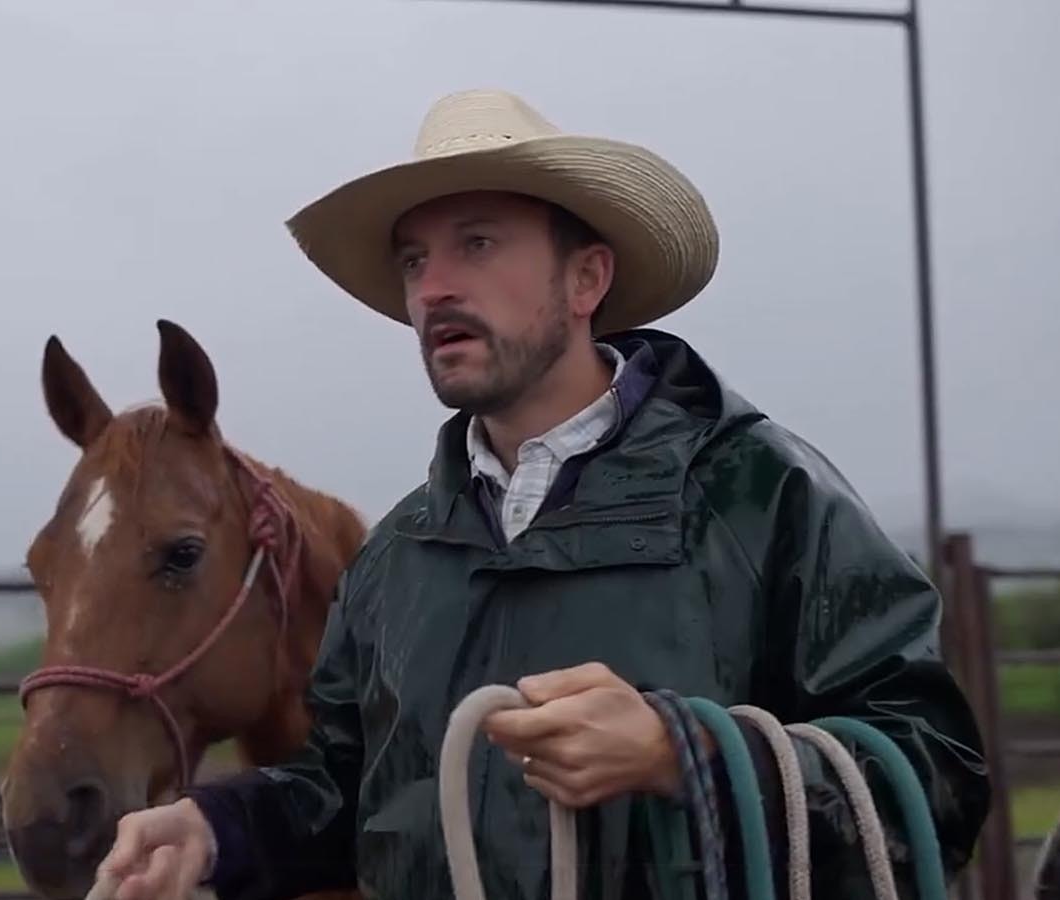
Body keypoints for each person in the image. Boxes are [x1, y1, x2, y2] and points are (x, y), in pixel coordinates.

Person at [90, 88, 991, 900]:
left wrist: (690, 756)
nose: (433, 287)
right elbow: (354, 787)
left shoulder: (764, 497)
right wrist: (219, 827)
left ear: (586, 280)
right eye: (413, 260)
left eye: (477, 244)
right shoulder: (400, 554)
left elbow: (934, 778)